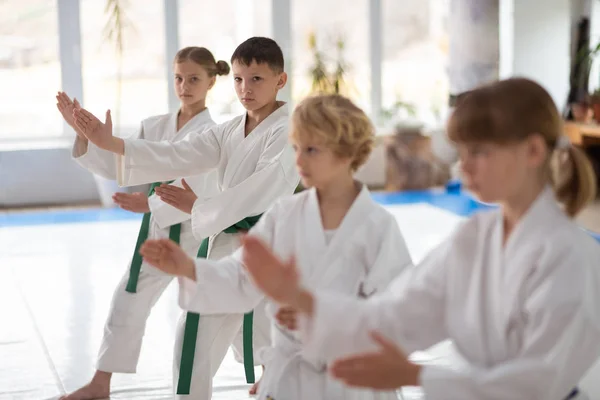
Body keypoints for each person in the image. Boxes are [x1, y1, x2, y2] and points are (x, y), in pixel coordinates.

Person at [241, 78, 600, 400]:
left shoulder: (571, 255)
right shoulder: (474, 237)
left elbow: (538, 382)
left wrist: (417, 374)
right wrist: (301, 299)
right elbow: (397, 314)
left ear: (533, 152)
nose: (463, 167)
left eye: (479, 152)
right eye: (462, 152)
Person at [140, 94, 413, 400]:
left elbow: (398, 315)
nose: (299, 160)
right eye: (296, 148)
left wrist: (326, 317)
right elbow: (242, 276)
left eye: (311, 150)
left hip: (353, 381)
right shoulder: (284, 215)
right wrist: (188, 267)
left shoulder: (377, 227)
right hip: (291, 383)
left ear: (347, 152)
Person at [71, 37, 300, 399]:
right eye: (239, 79)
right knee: (199, 337)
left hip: (264, 248)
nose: (245, 88)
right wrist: (110, 142)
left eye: (256, 79)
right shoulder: (229, 130)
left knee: (257, 337)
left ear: (280, 80)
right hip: (226, 247)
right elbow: (177, 155)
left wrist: (198, 207)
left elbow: (261, 189)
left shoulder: (287, 131)